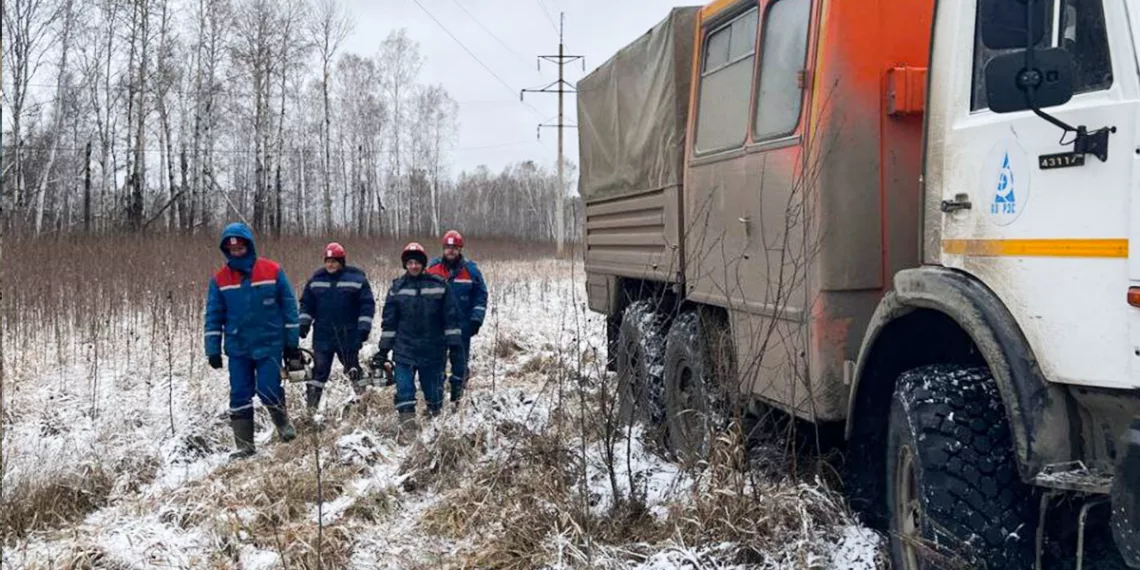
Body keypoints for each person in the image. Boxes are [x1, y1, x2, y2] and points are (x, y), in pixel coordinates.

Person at [204, 222, 301, 459]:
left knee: (268, 389)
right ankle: (245, 446)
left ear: (248, 246)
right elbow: (213, 316)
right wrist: (212, 349)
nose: (236, 252)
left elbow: (289, 308)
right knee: (239, 394)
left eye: (240, 248)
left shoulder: (272, 271)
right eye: (231, 249)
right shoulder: (219, 281)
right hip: (238, 348)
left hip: (269, 344)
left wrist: (291, 343)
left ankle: (284, 426)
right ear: (226, 250)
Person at [371, 242, 464, 438]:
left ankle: (435, 429)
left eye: (417, 262)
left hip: (433, 351)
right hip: (404, 350)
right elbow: (389, 323)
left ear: (423, 264)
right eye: (410, 262)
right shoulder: (397, 288)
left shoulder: (439, 285)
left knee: (434, 395)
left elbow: (451, 318)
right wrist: (382, 351)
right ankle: (409, 431)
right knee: (404, 390)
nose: (414, 266)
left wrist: (454, 345)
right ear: (405, 265)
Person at [298, 242, 376, 412]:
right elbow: (306, 304)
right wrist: (303, 323)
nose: (330, 264)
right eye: (327, 261)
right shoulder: (316, 280)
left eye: (334, 261)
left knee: (353, 370)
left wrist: (364, 327)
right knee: (319, 373)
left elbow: (367, 305)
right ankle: (310, 411)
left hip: (348, 335)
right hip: (323, 336)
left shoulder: (356, 279)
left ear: (341, 261)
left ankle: (363, 404)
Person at [427, 230, 488, 404]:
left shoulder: (471, 270)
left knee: (459, 365)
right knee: (436, 364)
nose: (451, 251)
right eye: (447, 247)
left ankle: (457, 399)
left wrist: (476, 318)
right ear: (443, 248)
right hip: (437, 327)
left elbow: (480, 295)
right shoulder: (432, 268)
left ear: (460, 249)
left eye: (454, 247)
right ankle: (435, 402)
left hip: (462, 326)